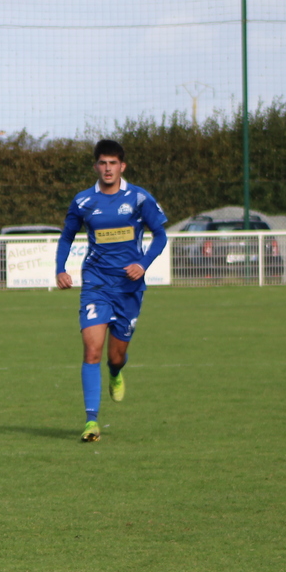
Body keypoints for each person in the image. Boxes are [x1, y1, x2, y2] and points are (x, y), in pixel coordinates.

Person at [56, 139, 168, 442]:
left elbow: (160, 235)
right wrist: (60, 268)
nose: (108, 168)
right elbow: (67, 236)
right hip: (96, 284)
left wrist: (143, 264)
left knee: (116, 356)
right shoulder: (83, 201)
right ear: (96, 166)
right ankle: (91, 421)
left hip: (129, 288)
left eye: (113, 163)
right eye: (103, 163)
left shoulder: (139, 198)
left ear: (122, 166)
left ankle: (116, 372)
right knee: (92, 349)